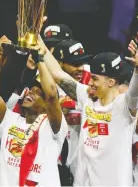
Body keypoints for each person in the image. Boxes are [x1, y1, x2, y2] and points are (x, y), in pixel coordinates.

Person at [40, 36, 138, 186]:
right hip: (82, 181)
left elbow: (135, 92)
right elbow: (57, 74)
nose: (90, 82)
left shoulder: (124, 106)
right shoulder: (87, 97)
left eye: (95, 79)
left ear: (111, 82)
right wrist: (38, 41)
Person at [0, 36, 67, 186]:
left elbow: (52, 96)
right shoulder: (9, 120)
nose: (30, 93)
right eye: (30, 90)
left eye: (38, 93)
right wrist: (2, 55)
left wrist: (39, 59)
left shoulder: (53, 126)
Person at [52, 39, 92, 177]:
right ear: (59, 63)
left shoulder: (93, 83)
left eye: (82, 63)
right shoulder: (46, 86)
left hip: (83, 161)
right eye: (75, 64)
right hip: (55, 159)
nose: (80, 68)